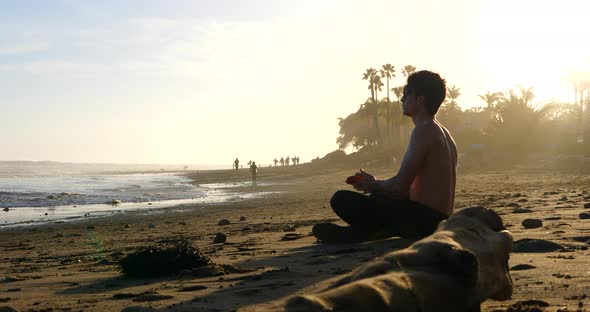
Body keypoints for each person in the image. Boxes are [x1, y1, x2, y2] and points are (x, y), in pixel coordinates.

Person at [313, 70, 457, 243]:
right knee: (379, 197)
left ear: (420, 99)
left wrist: (373, 185)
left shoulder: (424, 130)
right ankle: (368, 230)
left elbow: (399, 186)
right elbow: (411, 188)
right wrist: (378, 185)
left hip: (424, 221)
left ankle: (366, 232)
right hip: (439, 219)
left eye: (407, 94)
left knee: (341, 199)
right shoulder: (443, 132)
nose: (402, 99)